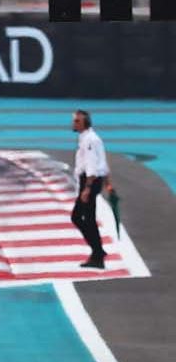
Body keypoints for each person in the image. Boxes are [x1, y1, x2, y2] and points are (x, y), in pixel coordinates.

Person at [71, 109, 113, 269]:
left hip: (90, 181)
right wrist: (108, 182)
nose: (74, 123)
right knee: (88, 218)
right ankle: (97, 255)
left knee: (77, 216)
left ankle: (98, 251)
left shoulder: (89, 140)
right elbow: (103, 161)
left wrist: (87, 188)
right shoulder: (90, 138)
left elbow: (92, 165)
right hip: (94, 181)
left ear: (85, 123)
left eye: (77, 121)